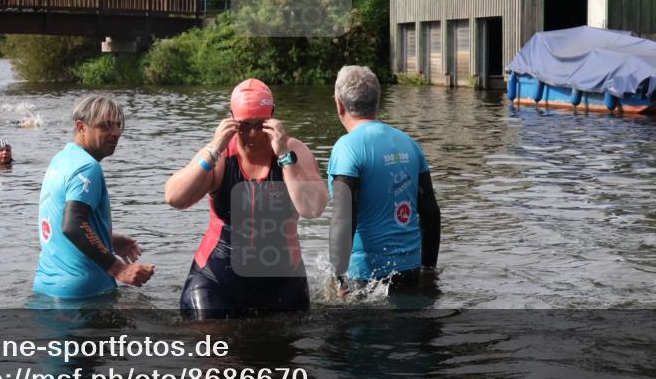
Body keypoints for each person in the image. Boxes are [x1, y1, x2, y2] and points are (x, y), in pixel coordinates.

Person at [165, 79, 327, 319]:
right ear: (231, 119)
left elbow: (313, 208)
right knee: (212, 348)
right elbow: (174, 198)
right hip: (217, 279)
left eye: (260, 124)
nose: (252, 134)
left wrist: (284, 157)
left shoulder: (294, 151)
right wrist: (213, 150)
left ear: (272, 118)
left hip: (282, 282)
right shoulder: (219, 155)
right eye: (243, 125)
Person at [327, 65, 441, 297]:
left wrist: (340, 279)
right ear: (377, 101)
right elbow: (430, 210)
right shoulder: (409, 143)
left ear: (339, 104)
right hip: (410, 269)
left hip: (365, 277)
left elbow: (342, 217)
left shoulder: (347, 148)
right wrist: (428, 269)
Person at [34, 94, 154, 299]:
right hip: (86, 293)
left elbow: (58, 224)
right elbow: (73, 225)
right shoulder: (88, 167)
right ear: (81, 127)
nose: (116, 133)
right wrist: (118, 268)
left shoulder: (61, 160)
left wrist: (105, 238)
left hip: (46, 288)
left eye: (118, 125)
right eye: (106, 126)